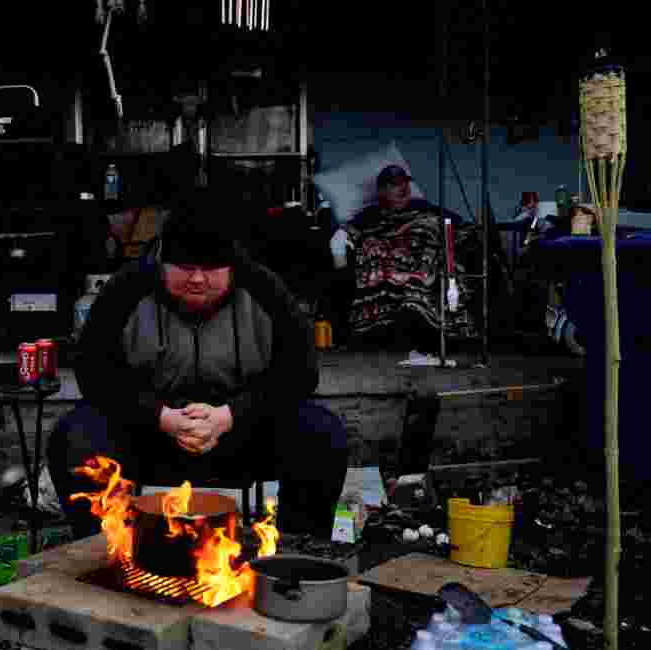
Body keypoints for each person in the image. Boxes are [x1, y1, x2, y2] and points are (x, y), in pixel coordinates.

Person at [46, 190, 350, 540]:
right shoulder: (126, 289)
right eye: (185, 268)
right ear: (163, 263)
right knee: (78, 436)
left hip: (242, 434)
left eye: (210, 269)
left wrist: (230, 415)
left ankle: (298, 556)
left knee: (320, 433)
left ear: (231, 266)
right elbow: (95, 372)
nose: (197, 280)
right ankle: (104, 550)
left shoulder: (264, 289)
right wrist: (160, 417)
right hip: (149, 435)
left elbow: (300, 372)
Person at [343, 165, 483, 350]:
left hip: (426, 255)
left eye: (406, 183)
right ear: (382, 191)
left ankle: (433, 324)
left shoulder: (424, 208)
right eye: (395, 185)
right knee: (382, 266)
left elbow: (457, 226)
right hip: (392, 259)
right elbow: (347, 234)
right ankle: (401, 323)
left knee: (439, 263)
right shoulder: (369, 216)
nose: (404, 189)